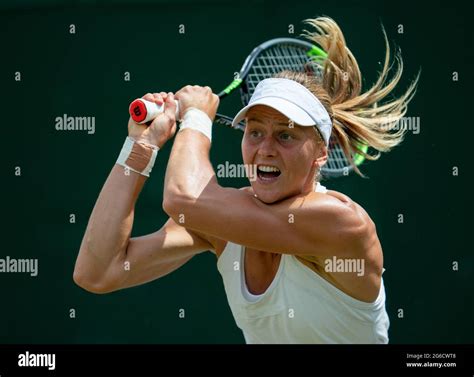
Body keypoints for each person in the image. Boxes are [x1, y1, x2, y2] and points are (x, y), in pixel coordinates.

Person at [73, 17, 418, 343]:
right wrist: (141, 145)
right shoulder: (218, 221)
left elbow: (181, 199)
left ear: (321, 153)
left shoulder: (343, 224)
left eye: (285, 136)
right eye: (255, 132)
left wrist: (195, 118)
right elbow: (99, 271)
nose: (265, 149)